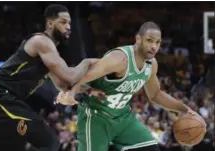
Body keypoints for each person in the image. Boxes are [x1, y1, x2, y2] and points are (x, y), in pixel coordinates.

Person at [56, 22, 204, 151]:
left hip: (123, 118)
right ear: (138, 39)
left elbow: (155, 95)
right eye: (149, 41)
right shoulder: (120, 59)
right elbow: (84, 75)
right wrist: (70, 92)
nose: (154, 46)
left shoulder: (151, 64)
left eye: (158, 42)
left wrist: (185, 110)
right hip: (96, 118)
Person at [0, 4, 97, 151]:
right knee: (49, 142)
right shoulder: (41, 42)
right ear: (50, 23)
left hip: (5, 100)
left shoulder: (48, 53)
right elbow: (69, 77)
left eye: (69, 23)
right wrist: (87, 62)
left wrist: (90, 91)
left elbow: (63, 85)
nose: (68, 27)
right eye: (63, 22)